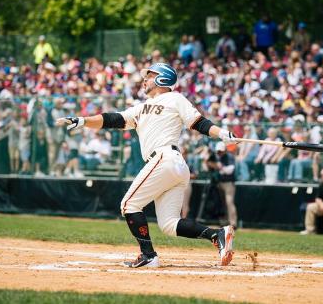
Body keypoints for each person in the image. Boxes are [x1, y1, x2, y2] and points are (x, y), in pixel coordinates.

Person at [57, 62, 237, 268]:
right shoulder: (141, 107)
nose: (144, 79)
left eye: (149, 76)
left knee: (129, 205)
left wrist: (221, 133)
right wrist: (82, 121)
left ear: (163, 78)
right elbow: (113, 119)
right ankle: (217, 234)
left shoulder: (174, 98)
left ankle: (148, 255)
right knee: (169, 224)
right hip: (172, 165)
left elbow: (199, 123)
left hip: (165, 158)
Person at [206, 142, 238, 228]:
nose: (219, 153)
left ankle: (233, 223)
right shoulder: (216, 157)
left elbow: (230, 170)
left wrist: (219, 167)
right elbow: (208, 166)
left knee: (229, 202)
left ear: (225, 150)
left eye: (221, 151)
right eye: (218, 151)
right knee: (222, 203)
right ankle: (225, 222)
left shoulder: (229, 157)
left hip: (228, 183)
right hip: (219, 183)